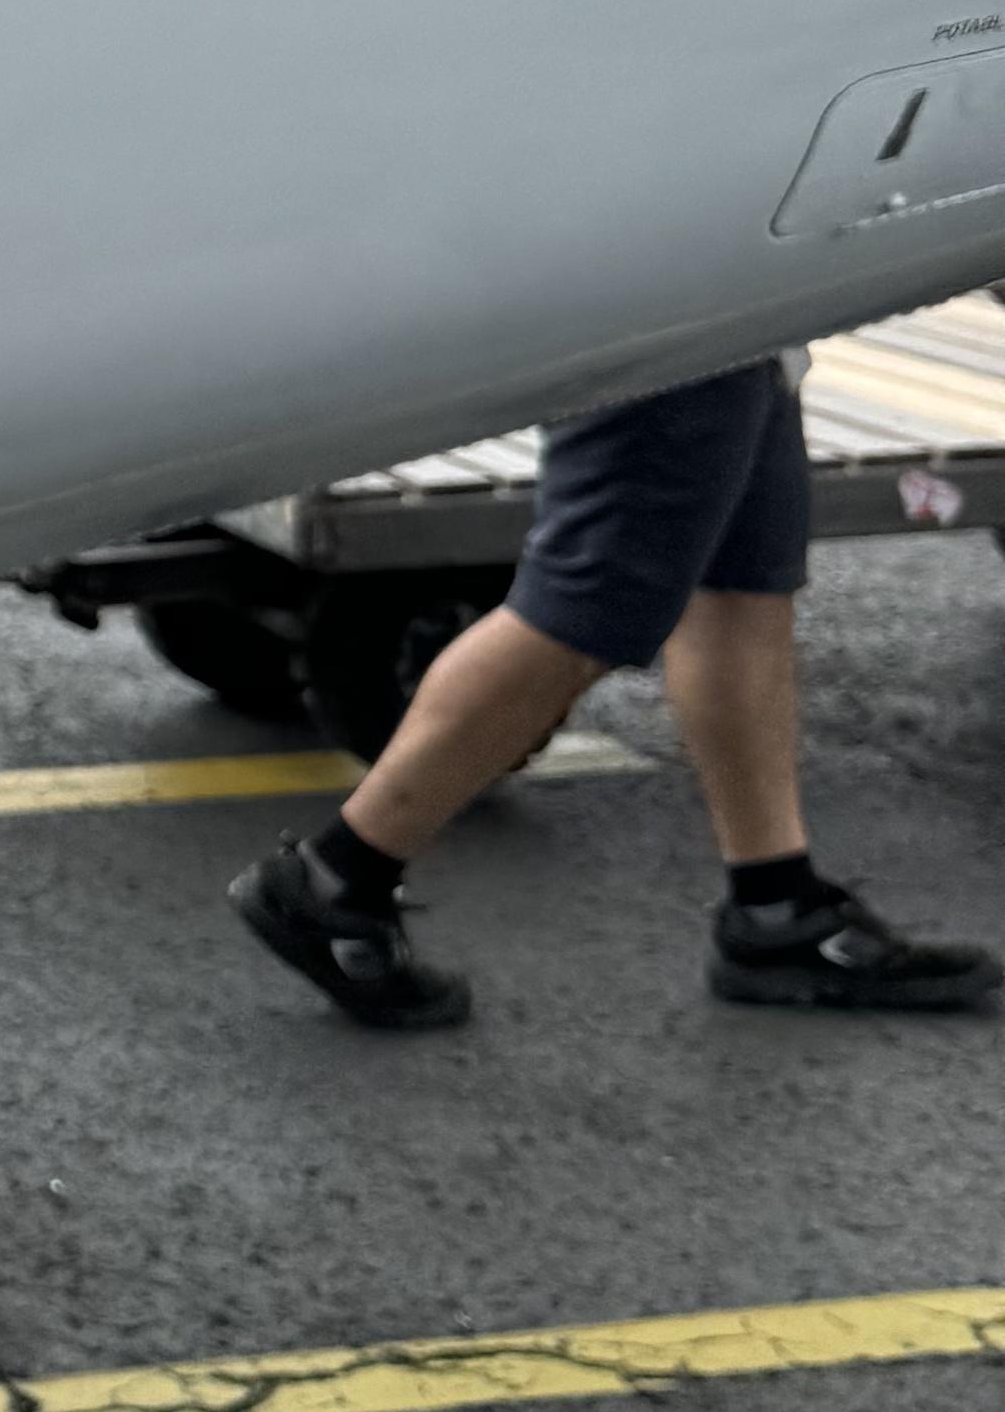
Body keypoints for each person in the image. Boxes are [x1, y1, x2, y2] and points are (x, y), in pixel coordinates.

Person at [234, 358, 996, 1031]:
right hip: (686, 304)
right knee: (586, 608)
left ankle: (776, 906)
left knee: (739, 585)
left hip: (746, 308)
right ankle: (334, 882)